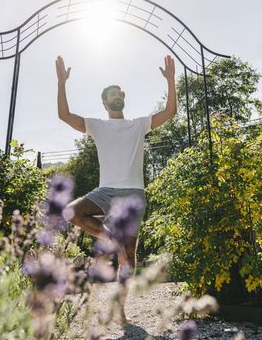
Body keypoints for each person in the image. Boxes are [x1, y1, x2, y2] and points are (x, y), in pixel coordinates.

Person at [55, 54, 177, 279]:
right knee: (71, 212)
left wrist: (170, 79)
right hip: (106, 191)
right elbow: (64, 115)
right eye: (113, 94)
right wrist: (62, 83)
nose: (118, 96)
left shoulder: (139, 125)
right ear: (105, 102)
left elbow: (170, 112)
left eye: (120, 93)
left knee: (130, 254)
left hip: (134, 193)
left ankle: (120, 311)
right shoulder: (97, 126)